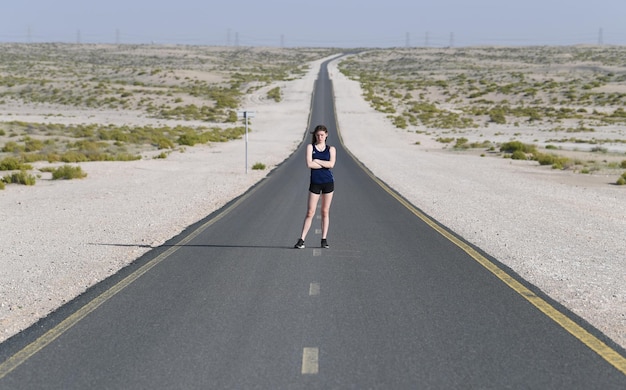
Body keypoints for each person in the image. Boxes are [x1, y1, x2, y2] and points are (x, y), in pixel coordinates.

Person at [294, 124, 336, 249]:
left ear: (326, 135)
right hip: (315, 183)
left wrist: (317, 160)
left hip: (328, 182)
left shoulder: (331, 149)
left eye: (322, 135)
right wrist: (322, 163)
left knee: (325, 211)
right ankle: (302, 239)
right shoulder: (310, 147)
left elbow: (331, 164)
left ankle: (324, 239)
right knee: (310, 212)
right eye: (318, 135)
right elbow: (309, 164)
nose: (320, 137)